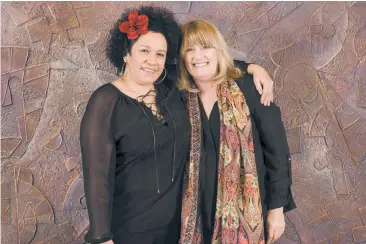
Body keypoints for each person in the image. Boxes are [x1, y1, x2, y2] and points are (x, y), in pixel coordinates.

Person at [81, 6, 276, 244]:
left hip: (181, 230)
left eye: (160, 54)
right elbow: (97, 177)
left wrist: (253, 68)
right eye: (144, 51)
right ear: (126, 53)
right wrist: (102, 237)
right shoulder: (105, 101)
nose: (152, 61)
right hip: (129, 230)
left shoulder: (169, 88)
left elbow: (207, 64)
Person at [178, 19, 296, 244]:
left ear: (218, 50)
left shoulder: (250, 88)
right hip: (194, 215)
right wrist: (251, 65)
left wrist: (277, 210)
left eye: (205, 47)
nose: (197, 56)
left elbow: (277, 151)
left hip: (246, 208)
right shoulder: (180, 98)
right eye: (189, 50)